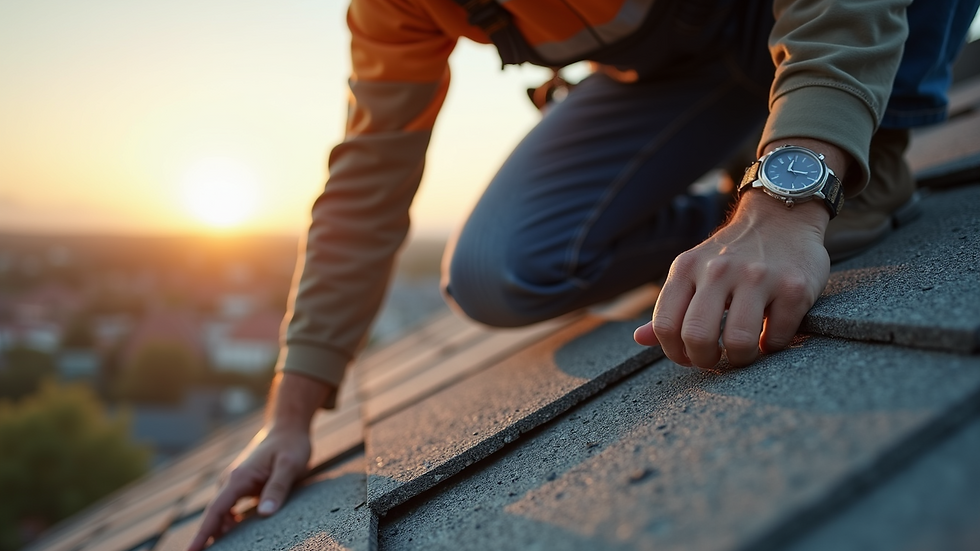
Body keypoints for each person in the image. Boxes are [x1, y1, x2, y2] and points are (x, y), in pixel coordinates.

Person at [187, 0, 979, 548]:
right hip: (688, 74)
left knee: (854, 218)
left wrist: (789, 201)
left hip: (826, 19)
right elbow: (367, 173)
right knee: (501, 269)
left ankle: (851, 143)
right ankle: (735, 200)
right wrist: (289, 414)